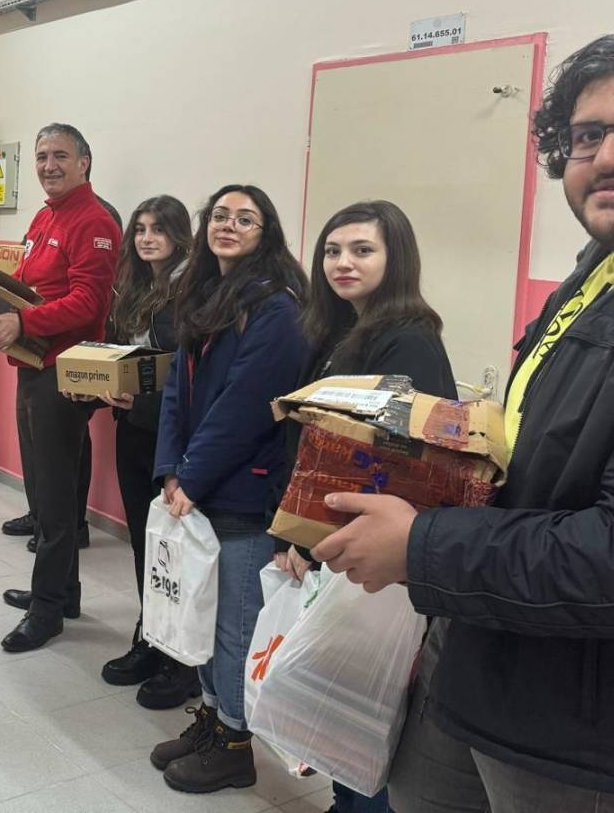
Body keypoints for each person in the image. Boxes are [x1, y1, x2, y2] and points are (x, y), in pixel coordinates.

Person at [312, 26, 614, 811]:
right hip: (488, 650)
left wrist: (421, 547)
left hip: (595, 728)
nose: (608, 155)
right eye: (586, 136)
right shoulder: (605, 271)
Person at [279, 199, 456, 813]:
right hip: (342, 540)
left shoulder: (407, 340)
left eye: (362, 250)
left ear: (394, 258)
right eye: (332, 250)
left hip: (380, 551)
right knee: (341, 694)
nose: (342, 263)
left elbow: (392, 462)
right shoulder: (341, 333)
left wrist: (310, 537)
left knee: (367, 702)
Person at [147, 184, 307, 794]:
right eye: (219, 216)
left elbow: (245, 407)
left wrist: (191, 475)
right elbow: (175, 392)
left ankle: (237, 745)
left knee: (235, 627)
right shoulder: (203, 295)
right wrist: (170, 468)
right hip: (198, 483)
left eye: (245, 219)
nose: (229, 226)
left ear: (266, 233)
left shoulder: (277, 309)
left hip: (244, 492)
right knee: (203, 616)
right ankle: (212, 721)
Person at [0, 123, 120, 653]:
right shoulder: (45, 216)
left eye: (60, 155)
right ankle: (64, 593)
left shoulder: (95, 221)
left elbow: (89, 303)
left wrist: (24, 321)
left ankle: (47, 611)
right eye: (41, 156)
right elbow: (30, 283)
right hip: (33, 363)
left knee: (55, 497)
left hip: (64, 374)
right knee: (44, 489)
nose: (48, 165)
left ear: (84, 162)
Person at [94, 195, 202, 710]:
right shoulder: (135, 286)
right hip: (135, 428)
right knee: (145, 540)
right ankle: (151, 638)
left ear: (180, 234)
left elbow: (190, 377)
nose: (146, 238)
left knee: (177, 549)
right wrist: (103, 385)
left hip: (175, 437)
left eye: (158, 229)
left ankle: (183, 662)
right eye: (139, 229)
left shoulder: (193, 291)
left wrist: (142, 400)